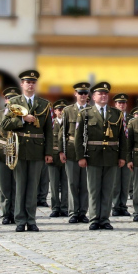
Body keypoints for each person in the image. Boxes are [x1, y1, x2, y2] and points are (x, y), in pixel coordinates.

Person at [1, 70, 53, 232]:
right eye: (27, 82)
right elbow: (4, 125)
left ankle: (31, 220)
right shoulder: (14, 102)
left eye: (33, 82)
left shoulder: (44, 104)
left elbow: (49, 131)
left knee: (33, 187)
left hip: (36, 150)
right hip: (19, 148)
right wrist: (22, 119)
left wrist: (48, 152)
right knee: (20, 186)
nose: (30, 85)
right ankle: (20, 220)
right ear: (22, 85)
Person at [75, 82, 126, 230]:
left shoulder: (116, 114)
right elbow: (78, 138)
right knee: (93, 189)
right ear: (93, 97)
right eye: (100, 93)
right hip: (93, 155)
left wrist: (122, 156)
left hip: (111, 156)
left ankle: (104, 218)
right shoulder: (85, 113)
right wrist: (81, 157)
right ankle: (94, 218)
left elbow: (123, 137)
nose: (103, 96)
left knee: (108, 189)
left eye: (105, 93)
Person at [0, 87, 21, 225]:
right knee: (4, 185)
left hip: (18, 152)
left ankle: (17, 212)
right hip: (2, 151)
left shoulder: (21, 114)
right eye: (8, 98)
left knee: (18, 184)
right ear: (5, 100)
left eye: (14, 98)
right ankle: (7, 213)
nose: (10, 101)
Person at [59, 82, 90, 224]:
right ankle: (73, 212)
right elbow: (62, 132)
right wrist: (61, 150)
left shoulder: (91, 110)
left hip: (88, 150)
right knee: (72, 183)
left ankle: (83, 212)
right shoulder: (68, 110)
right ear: (75, 94)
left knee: (85, 184)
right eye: (80, 93)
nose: (83, 95)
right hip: (71, 149)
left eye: (85, 93)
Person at [111, 93, 132, 217]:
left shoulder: (131, 119)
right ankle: (115, 205)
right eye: (119, 103)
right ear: (115, 104)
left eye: (123, 103)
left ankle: (123, 206)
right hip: (115, 152)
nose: (122, 105)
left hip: (128, 153)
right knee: (115, 182)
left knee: (125, 182)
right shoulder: (112, 118)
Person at [49, 99, 68, 218]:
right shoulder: (51, 123)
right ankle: (55, 207)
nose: (61, 112)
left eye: (63, 110)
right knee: (54, 185)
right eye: (59, 110)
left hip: (66, 156)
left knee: (66, 184)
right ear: (55, 111)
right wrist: (49, 154)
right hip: (54, 156)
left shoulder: (68, 123)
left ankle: (65, 207)